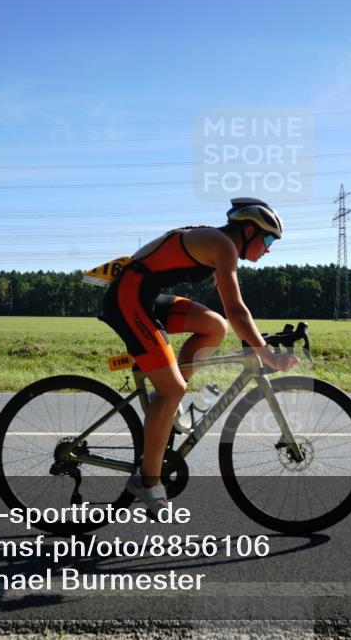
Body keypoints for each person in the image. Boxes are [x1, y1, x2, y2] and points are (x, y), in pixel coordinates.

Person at [98, 197, 298, 517]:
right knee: (173, 388)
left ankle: (167, 404)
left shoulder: (220, 244)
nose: (270, 248)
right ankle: (147, 481)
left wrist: (259, 342)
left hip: (144, 297)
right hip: (128, 300)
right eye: (269, 239)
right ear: (248, 230)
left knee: (213, 327)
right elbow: (237, 310)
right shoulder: (223, 246)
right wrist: (269, 355)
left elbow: (231, 314)